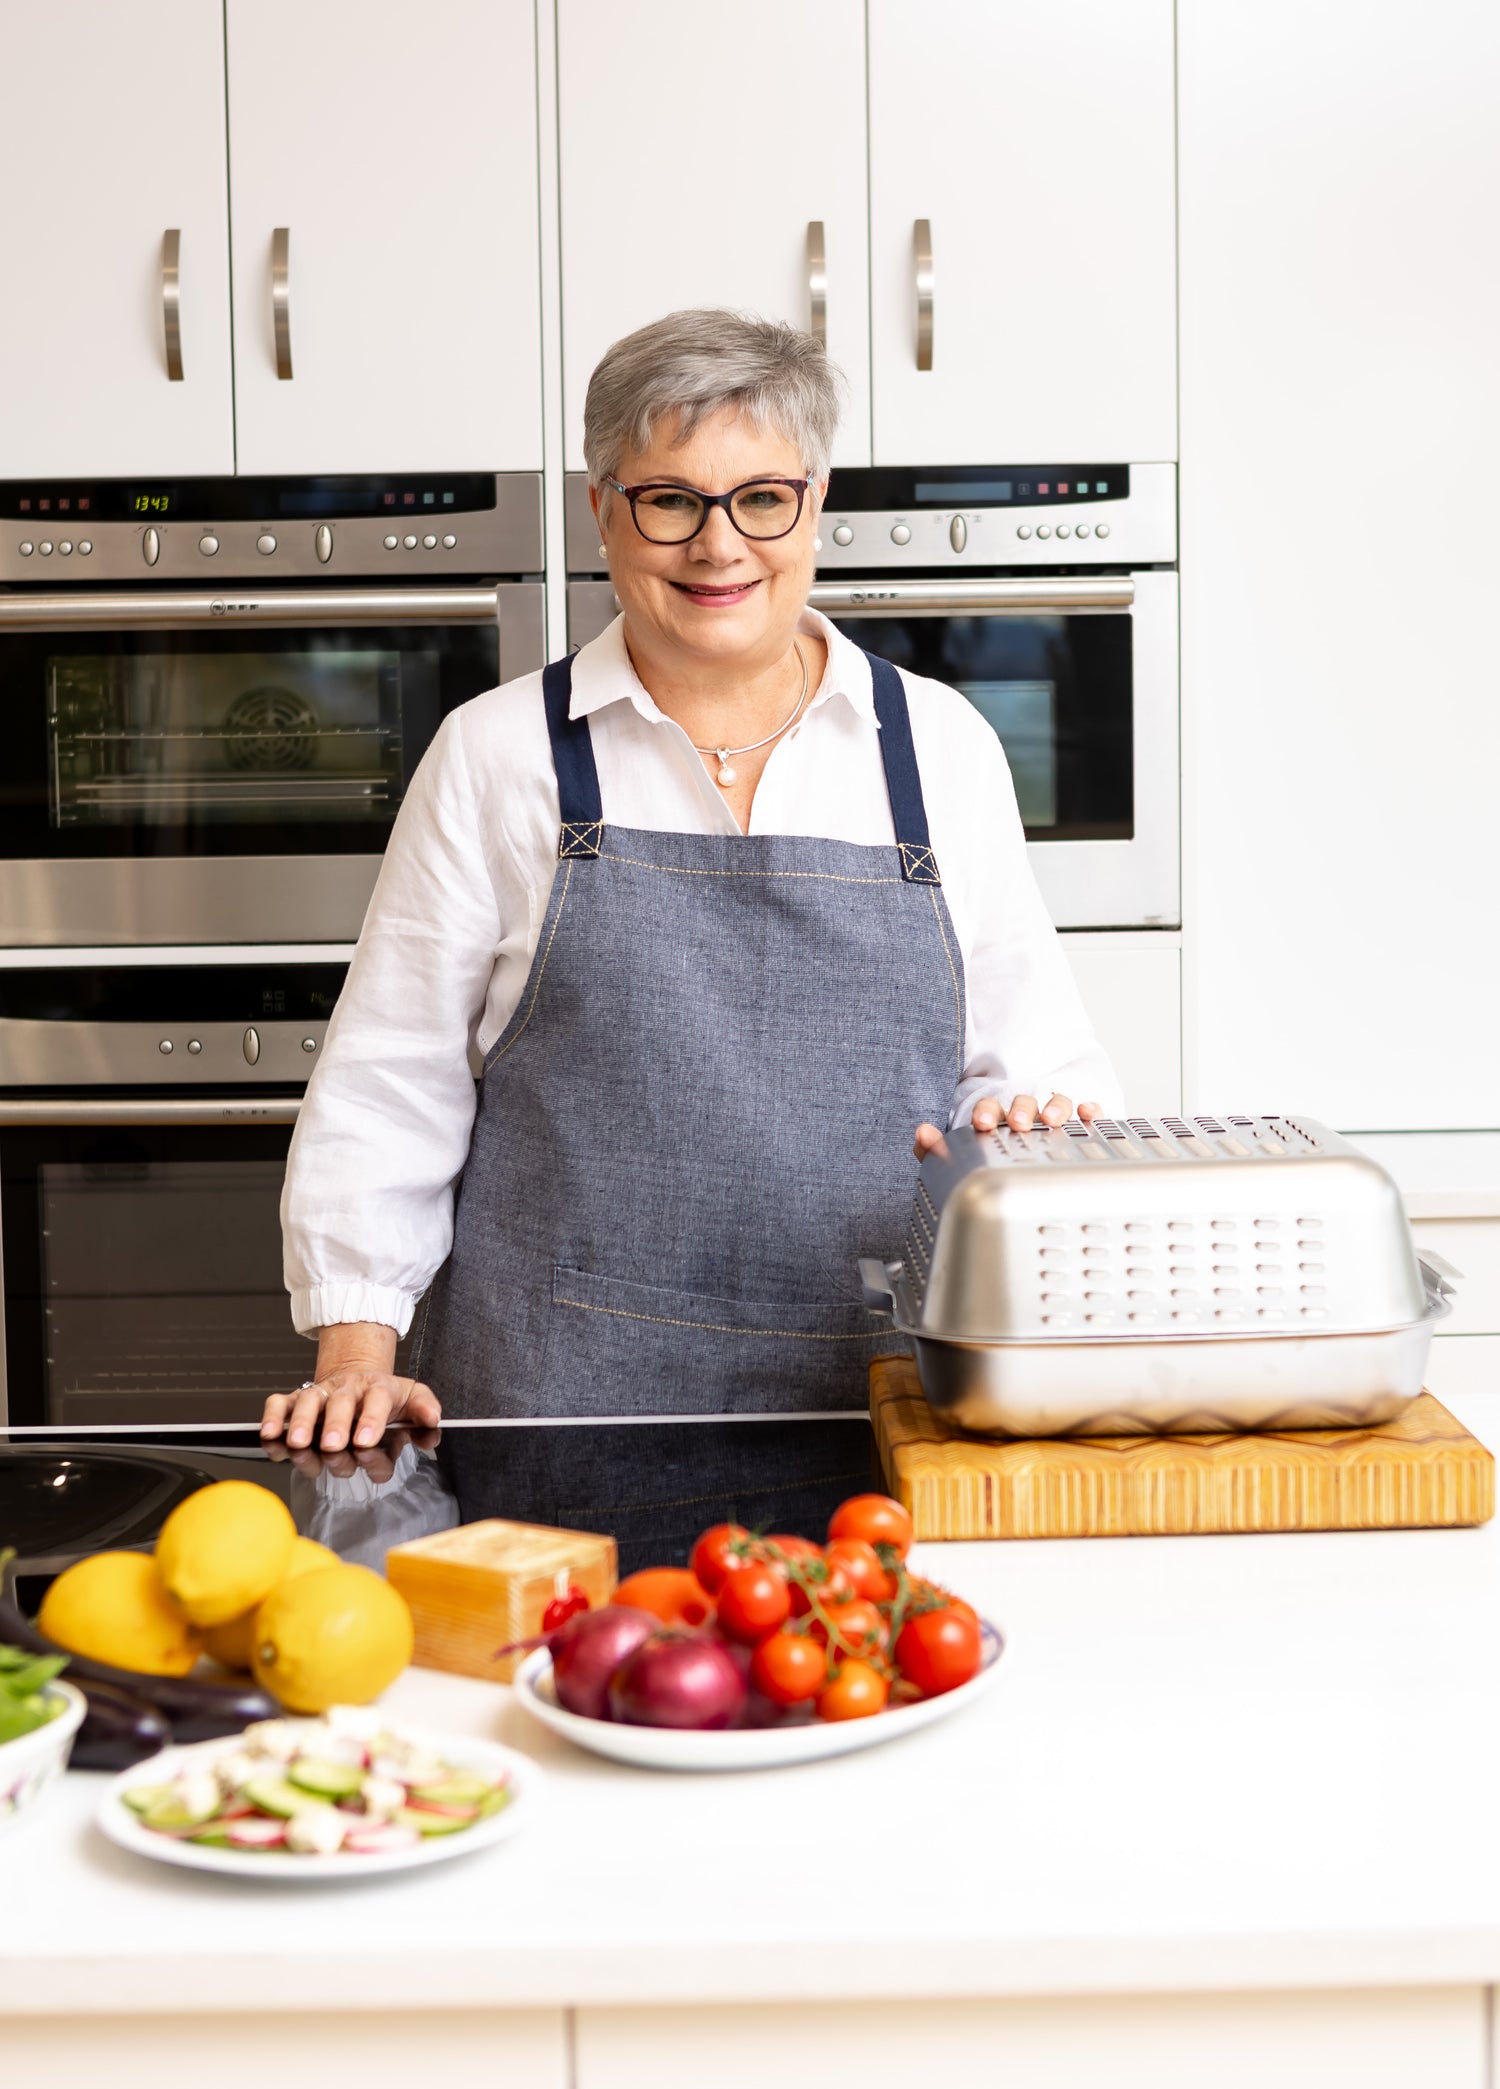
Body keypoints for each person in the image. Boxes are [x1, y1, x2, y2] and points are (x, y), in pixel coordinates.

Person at [261, 308, 1121, 1565]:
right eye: (670, 499)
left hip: (883, 1404)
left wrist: (1031, 1137)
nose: (720, 545)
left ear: (815, 502)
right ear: (604, 510)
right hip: (556, 1402)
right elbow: (395, 1079)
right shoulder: (500, 756)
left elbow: (1039, 1072)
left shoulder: (939, 750)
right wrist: (354, 1349)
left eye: (762, 497)